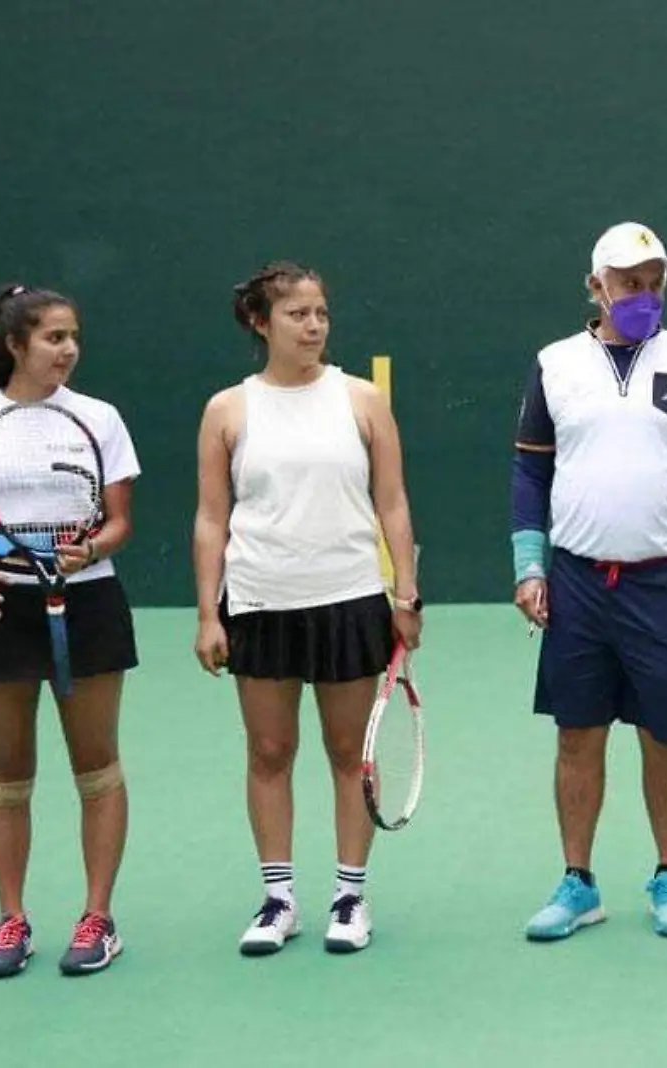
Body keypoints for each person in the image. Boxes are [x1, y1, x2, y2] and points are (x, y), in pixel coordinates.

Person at [510, 221, 667, 942]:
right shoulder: (554, 364)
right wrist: (530, 565)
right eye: (627, 283)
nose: (643, 294)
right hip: (579, 583)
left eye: (653, 282)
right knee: (576, 734)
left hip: (663, 582)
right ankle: (577, 882)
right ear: (596, 287)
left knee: (662, 735)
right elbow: (530, 469)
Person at [192, 261, 423, 957]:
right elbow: (210, 518)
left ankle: (350, 894)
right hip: (260, 599)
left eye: (320, 312)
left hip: (349, 599)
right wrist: (210, 612)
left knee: (349, 753)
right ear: (261, 323)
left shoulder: (361, 401)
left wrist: (405, 592)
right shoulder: (227, 411)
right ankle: (279, 899)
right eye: (297, 314)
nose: (314, 325)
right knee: (269, 751)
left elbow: (393, 502)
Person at [0, 284, 142, 978]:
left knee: (97, 766)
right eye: (52, 337)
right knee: (9, 774)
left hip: (88, 606)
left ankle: (98, 919)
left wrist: (92, 550)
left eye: (73, 336)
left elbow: (119, 523)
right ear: (14, 345)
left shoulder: (100, 419)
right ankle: (11, 919)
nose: (67, 350)